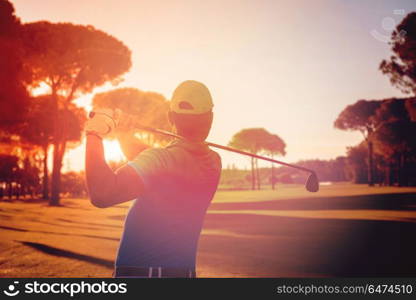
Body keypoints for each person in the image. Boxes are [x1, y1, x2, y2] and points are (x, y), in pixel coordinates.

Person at [84, 80, 221, 278]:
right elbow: (149, 161)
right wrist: (125, 133)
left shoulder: (162, 161)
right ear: (211, 118)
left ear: (170, 117)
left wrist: (94, 133)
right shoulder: (214, 162)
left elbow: (102, 194)